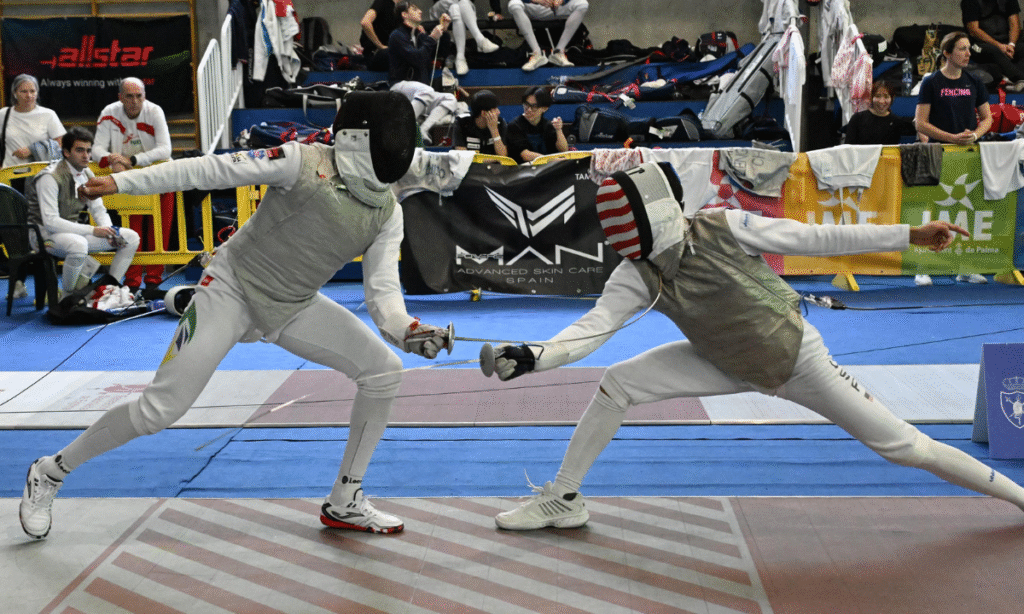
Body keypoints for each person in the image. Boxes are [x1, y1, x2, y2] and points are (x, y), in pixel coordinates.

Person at [484, 162, 1024, 531]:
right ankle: (565, 497)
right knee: (617, 383)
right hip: (720, 362)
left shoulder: (723, 225)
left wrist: (908, 235)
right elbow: (590, 331)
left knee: (904, 447)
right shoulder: (636, 274)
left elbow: (816, 238)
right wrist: (534, 355)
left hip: (797, 359)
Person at [19, 92, 451, 540]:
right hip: (229, 290)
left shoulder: (386, 212)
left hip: (292, 305)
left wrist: (409, 331)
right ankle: (51, 470)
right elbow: (209, 168)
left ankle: (346, 500)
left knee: (384, 370)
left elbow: (383, 293)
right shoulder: (299, 160)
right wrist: (125, 184)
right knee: (159, 410)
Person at [24, 126, 140, 294]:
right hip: (42, 237)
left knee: (130, 238)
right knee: (79, 245)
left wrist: (109, 230)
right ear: (66, 152)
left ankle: (109, 289)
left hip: (70, 233)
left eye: (88, 150)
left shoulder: (86, 173)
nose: (86, 156)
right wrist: (93, 230)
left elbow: (98, 209)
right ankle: (68, 296)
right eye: (80, 150)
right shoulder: (49, 177)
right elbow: (50, 222)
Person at [93, 77, 174, 297]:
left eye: (139, 96)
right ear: (120, 98)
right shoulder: (109, 112)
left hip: (161, 178)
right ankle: (132, 282)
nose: (135, 101)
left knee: (160, 232)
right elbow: (96, 150)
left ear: (144, 96)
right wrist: (112, 159)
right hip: (129, 180)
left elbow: (165, 150)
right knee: (133, 232)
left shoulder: (155, 111)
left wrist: (133, 160)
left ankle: (154, 282)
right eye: (129, 96)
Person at [389, 1, 459, 144]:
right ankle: (402, 127)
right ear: (404, 15)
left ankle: (423, 129)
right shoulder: (397, 35)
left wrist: (443, 32)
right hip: (400, 86)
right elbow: (417, 59)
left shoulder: (418, 34)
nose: (420, 11)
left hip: (420, 91)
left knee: (450, 99)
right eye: (414, 9)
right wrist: (432, 38)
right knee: (426, 90)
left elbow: (439, 53)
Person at [915, 31, 994, 144]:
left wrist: (975, 135)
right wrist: (952, 138)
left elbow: (987, 118)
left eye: (968, 48)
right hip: (941, 149)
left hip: (969, 148)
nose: (968, 54)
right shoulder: (930, 82)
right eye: (962, 49)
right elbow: (920, 124)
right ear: (947, 53)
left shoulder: (975, 81)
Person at [1, 74, 66, 168]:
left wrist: (33, 150)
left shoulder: (48, 114)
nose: (29, 95)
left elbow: (61, 143)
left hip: (40, 174)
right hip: (9, 172)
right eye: (24, 91)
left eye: (32, 91)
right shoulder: (4, 114)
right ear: (14, 93)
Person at [507, 0, 589, 71]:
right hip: (532, 7)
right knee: (514, 4)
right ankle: (537, 54)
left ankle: (559, 52)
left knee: (583, 4)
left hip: (557, 8)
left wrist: (563, 0)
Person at [962, 0, 1024, 91]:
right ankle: (1019, 79)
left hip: (1007, 42)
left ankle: (1009, 78)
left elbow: (1015, 24)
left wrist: (1011, 45)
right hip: (980, 44)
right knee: (994, 51)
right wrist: (999, 46)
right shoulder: (970, 2)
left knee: (1022, 49)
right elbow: (974, 30)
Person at [429, 0, 501, 75]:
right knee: (456, 3)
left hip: (462, 7)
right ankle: (481, 40)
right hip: (440, 8)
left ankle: (460, 58)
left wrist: (497, 11)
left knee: (457, 6)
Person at [506, 86, 568, 163]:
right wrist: (553, 160)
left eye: (534, 106)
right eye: (526, 104)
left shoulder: (548, 125)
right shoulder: (514, 126)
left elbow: (564, 149)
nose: (528, 110)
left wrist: (559, 130)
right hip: (523, 170)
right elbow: (525, 155)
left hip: (546, 169)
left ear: (545, 108)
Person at [844, 81, 918, 145]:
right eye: (878, 96)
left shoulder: (896, 122)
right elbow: (848, 148)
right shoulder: (857, 119)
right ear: (871, 97)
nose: (881, 101)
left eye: (886, 97)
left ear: (892, 98)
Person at [451, 89, 508, 156]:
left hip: (494, 166)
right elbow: (462, 156)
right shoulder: (462, 122)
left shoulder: (500, 123)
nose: (498, 112)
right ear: (483, 113)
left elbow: (503, 156)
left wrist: (494, 131)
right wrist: (495, 159)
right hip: (469, 166)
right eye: (495, 109)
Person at [360, 0, 402, 72]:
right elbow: (365, 22)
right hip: (377, 55)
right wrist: (380, 46)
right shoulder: (383, 2)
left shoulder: (397, 9)